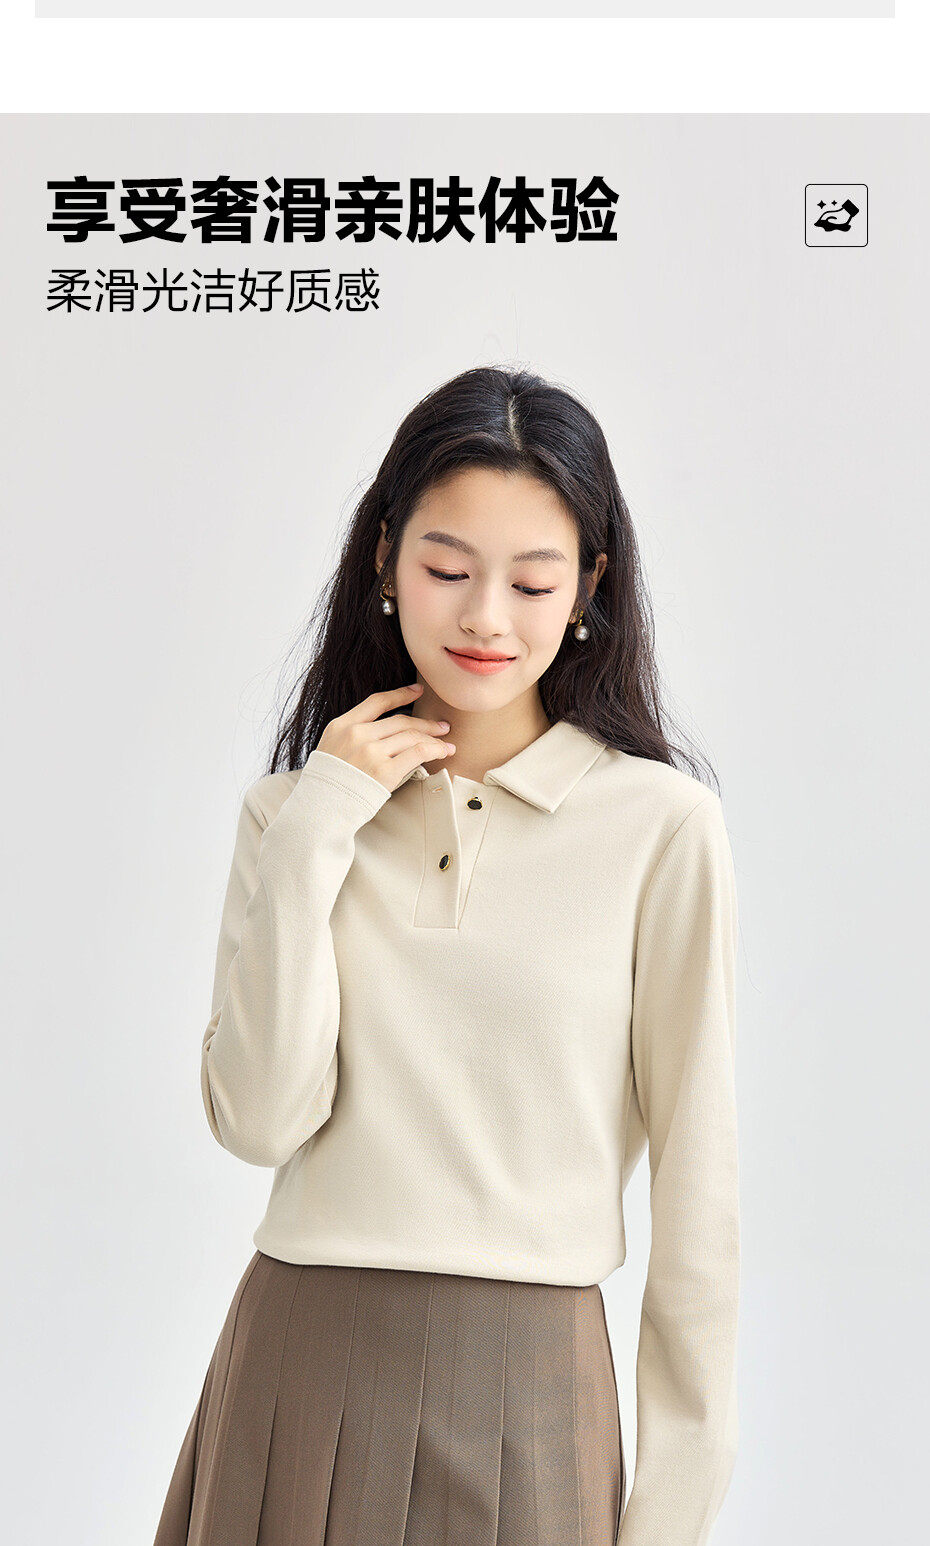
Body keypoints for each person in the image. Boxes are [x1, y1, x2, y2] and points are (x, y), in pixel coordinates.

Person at [153, 365, 741, 1546]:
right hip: (299, 1366)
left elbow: (700, 1194)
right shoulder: (291, 816)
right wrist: (321, 824)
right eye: (447, 568)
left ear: (590, 588)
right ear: (384, 560)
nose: (485, 617)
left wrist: (674, 1507)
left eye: (533, 581)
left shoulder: (659, 827)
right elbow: (259, 1119)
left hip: (534, 1389)